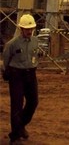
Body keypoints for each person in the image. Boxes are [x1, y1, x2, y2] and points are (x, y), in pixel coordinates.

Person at [2, 14, 40, 144]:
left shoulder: (35, 41)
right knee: (16, 106)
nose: (29, 31)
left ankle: (20, 127)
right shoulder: (12, 44)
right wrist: (7, 73)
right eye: (27, 29)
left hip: (31, 74)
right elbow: (6, 60)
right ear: (21, 29)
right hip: (16, 75)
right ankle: (15, 137)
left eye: (31, 29)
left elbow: (35, 56)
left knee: (33, 102)